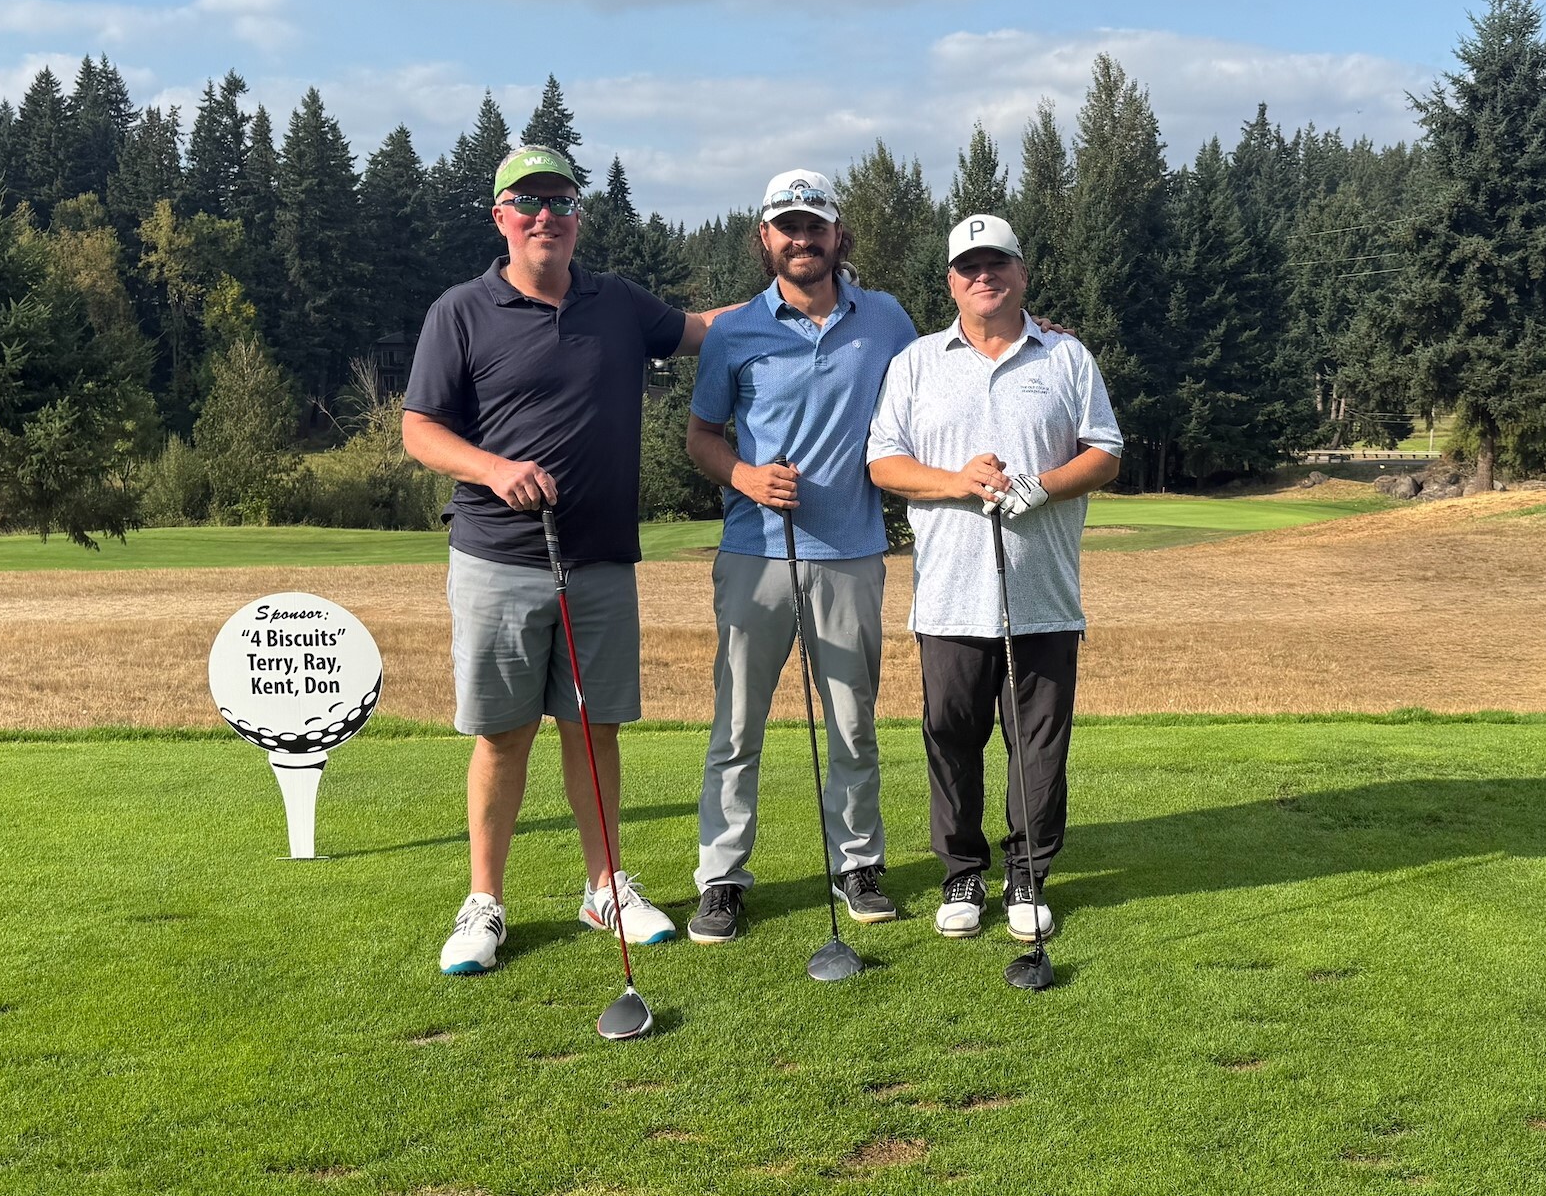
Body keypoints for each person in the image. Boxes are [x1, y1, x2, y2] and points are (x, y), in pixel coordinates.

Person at [402, 145, 726, 974]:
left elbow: (702, 330)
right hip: (498, 557)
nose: (545, 214)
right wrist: (493, 468)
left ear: (578, 215)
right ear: (500, 217)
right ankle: (484, 901)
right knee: (503, 736)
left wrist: (803, 297)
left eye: (560, 199)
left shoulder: (617, 302)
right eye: (528, 201)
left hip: (601, 558)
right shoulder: (460, 311)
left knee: (593, 730)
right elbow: (420, 429)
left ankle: (603, 885)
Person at [866, 213, 1122, 943]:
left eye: (997, 263)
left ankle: (1027, 874)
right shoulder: (917, 362)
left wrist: (1042, 485)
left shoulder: (1066, 357)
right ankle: (962, 873)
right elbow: (883, 462)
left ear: (1021, 272)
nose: (985, 276)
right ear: (951, 281)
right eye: (969, 266)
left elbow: (1105, 451)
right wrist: (955, 480)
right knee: (950, 737)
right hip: (949, 595)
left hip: (1043, 595)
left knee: (1038, 747)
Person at [683, 169, 919, 943]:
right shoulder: (735, 332)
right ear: (765, 237)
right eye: (787, 226)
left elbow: (942, 375)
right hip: (754, 552)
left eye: (815, 224)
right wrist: (745, 476)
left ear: (837, 233)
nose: (802, 238)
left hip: (851, 552)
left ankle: (858, 863)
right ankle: (722, 876)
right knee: (736, 725)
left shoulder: (885, 319)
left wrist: (1028, 326)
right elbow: (701, 437)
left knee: (852, 723)